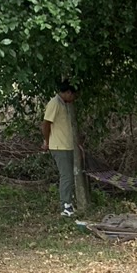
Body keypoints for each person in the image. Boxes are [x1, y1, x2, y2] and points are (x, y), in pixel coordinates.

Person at [42, 81, 78, 216]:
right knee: (67, 176)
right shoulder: (54, 103)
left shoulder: (64, 105)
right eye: (73, 95)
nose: (74, 98)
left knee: (70, 175)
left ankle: (69, 203)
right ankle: (65, 206)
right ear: (68, 92)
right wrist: (47, 141)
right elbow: (46, 124)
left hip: (67, 146)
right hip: (59, 146)